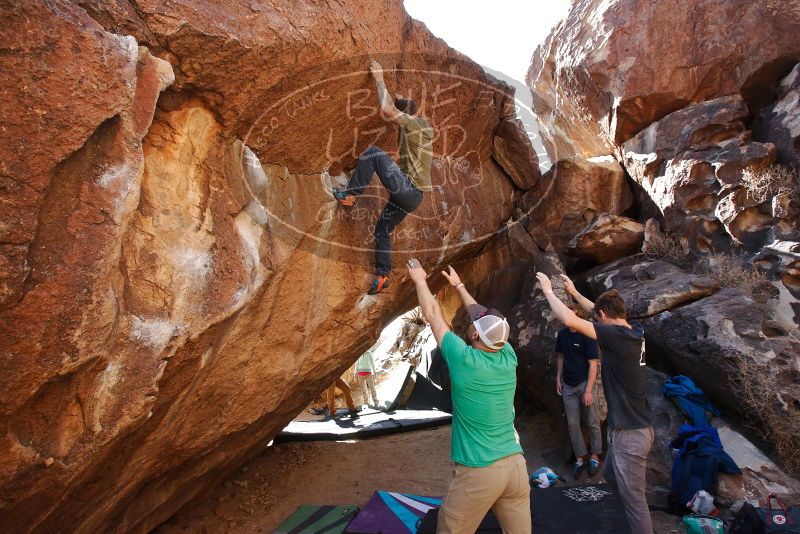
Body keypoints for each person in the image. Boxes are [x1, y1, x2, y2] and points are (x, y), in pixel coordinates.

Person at [408, 259, 530, 534]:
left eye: (477, 324)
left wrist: (419, 280)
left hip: (480, 470)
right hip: (516, 466)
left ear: (474, 333)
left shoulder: (463, 360)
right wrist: (459, 286)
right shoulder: (507, 355)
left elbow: (432, 314)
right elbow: (483, 317)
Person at [535, 272, 654, 534]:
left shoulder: (616, 337)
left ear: (602, 318)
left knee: (635, 501)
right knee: (610, 477)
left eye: (598, 315)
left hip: (631, 434)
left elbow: (569, 319)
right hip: (629, 429)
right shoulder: (633, 331)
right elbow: (597, 311)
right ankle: (621, 522)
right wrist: (575, 293)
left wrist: (548, 291)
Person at [333, 60, 434, 295]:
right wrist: (400, 98)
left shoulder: (415, 126)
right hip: (411, 197)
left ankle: (350, 196)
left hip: (407, 189)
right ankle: (382, 276)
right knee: (382, 230)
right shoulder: (419, 128)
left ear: (405, 115)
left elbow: (388, 109)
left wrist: (379, 78)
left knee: (373, 153)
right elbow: (403, 107)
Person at [555, 303, 602, 480]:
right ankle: (580, 457)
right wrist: (558, 378)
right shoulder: (562, 335)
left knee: (592, 421)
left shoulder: (587, 334)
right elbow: (560, 356)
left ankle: (595, 456)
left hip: (585, 384)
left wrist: (589, 390)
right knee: (573, 424)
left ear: (578, 316)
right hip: (568, 384)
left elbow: (593, 364)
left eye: (571, 314)